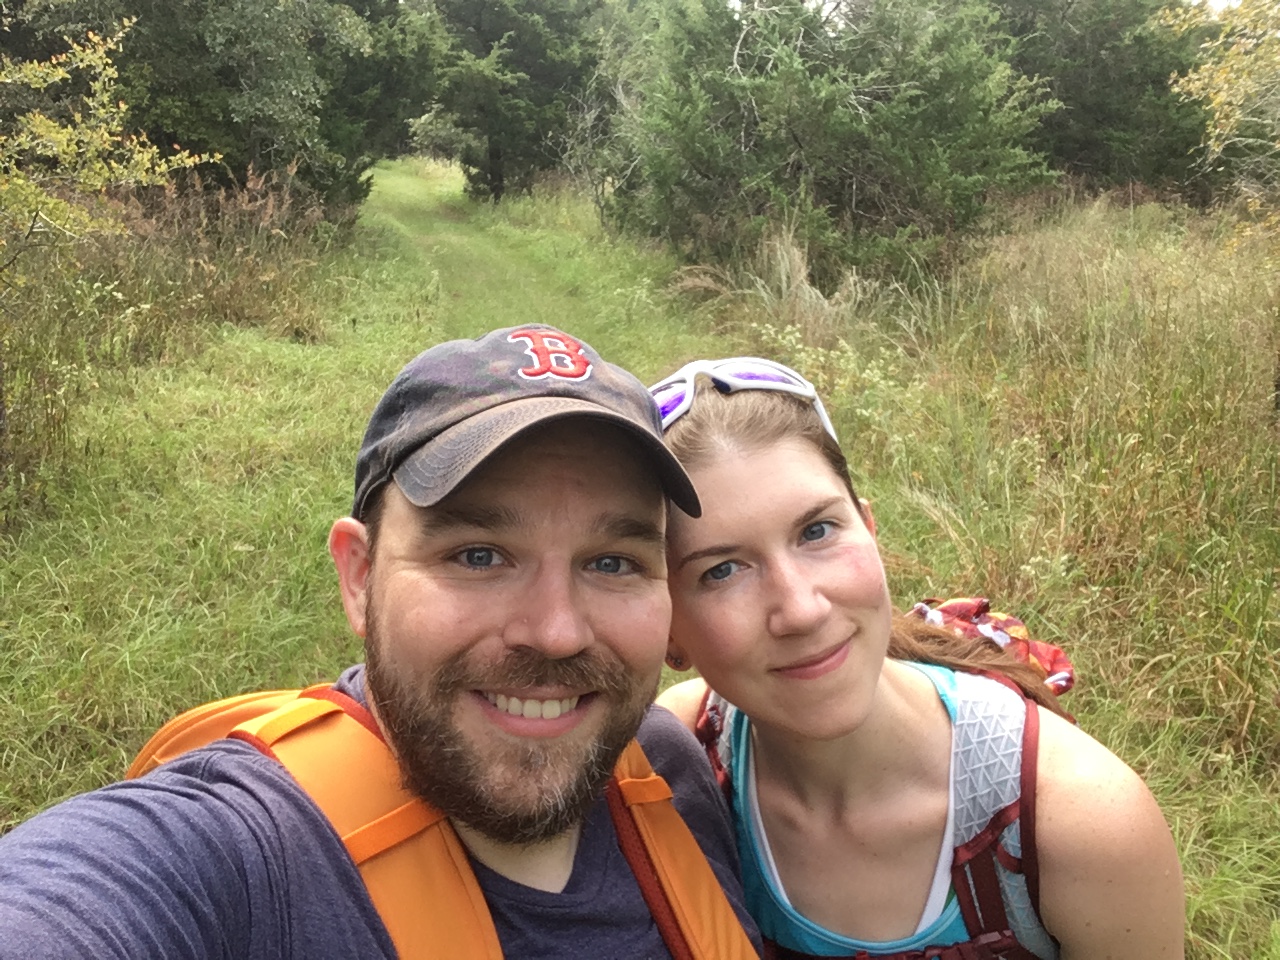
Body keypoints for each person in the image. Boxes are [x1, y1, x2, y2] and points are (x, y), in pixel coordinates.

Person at [0, 326, 763, 960]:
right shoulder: (229, 856)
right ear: (359, 578)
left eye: (612, 563)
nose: (556, 632)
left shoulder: (671, 771)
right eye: (478, 555)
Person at [651, 357, 1185, 960]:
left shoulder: (1080, 826)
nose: (801, 610)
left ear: (870, 529)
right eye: (722, 570)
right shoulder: (681, 763)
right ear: (664, 628)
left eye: (817, 531)